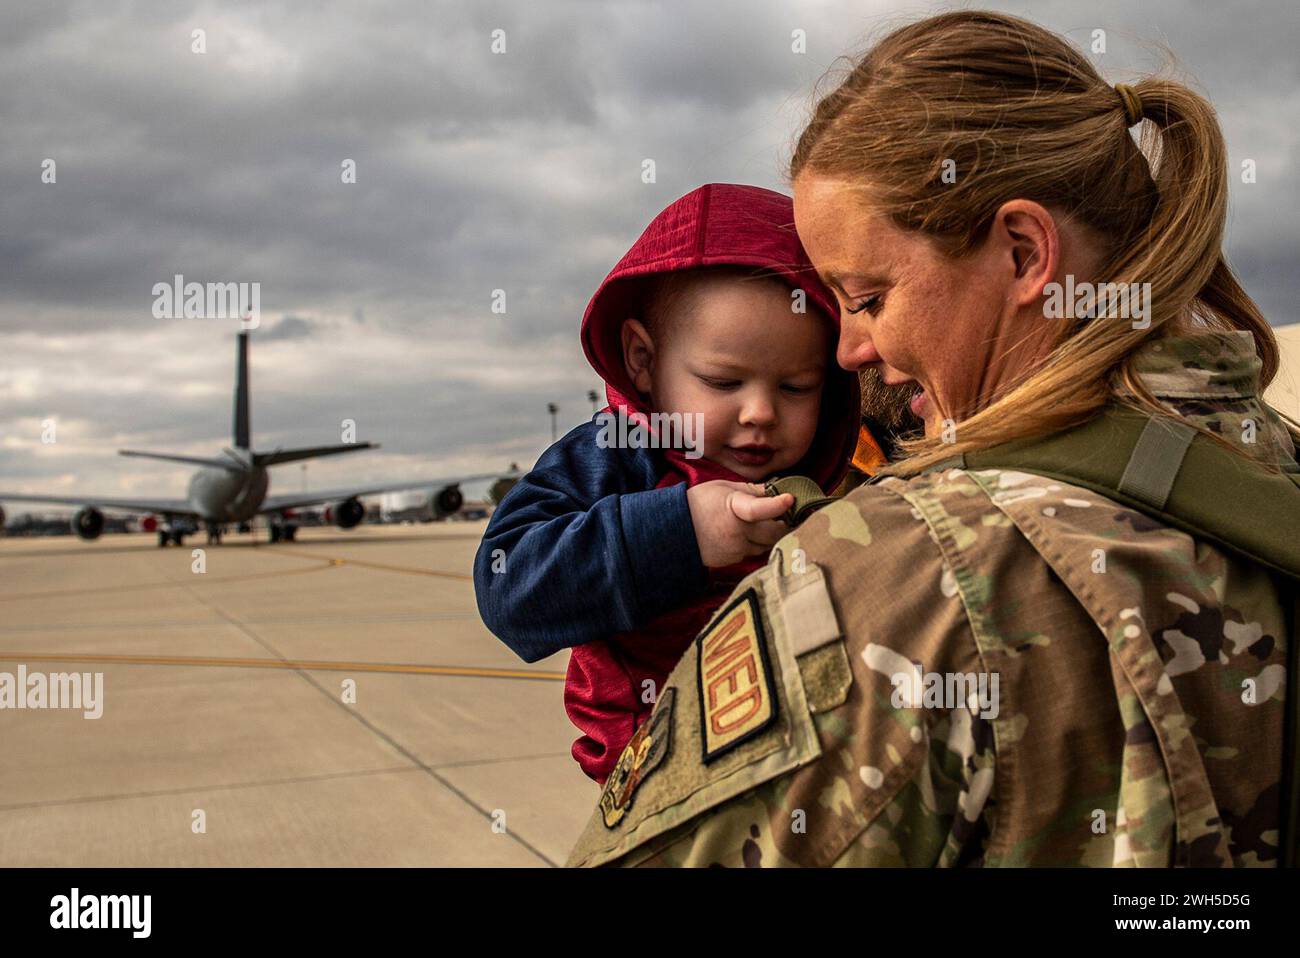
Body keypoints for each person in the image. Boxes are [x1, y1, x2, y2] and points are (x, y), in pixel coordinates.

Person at [567, 10, 1300, 867]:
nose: (848, 350)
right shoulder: (1272, 467)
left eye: (869, 296)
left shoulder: (904, 573)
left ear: (1026, 253)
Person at [473, 184, 863, 783]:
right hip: (662, 778)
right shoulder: (614, 454)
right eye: (723, 381)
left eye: (795, 388)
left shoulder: (833, 472)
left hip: (809, 761)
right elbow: (509, 588)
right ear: (642, 361)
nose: (761, 412)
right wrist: (680, 532)